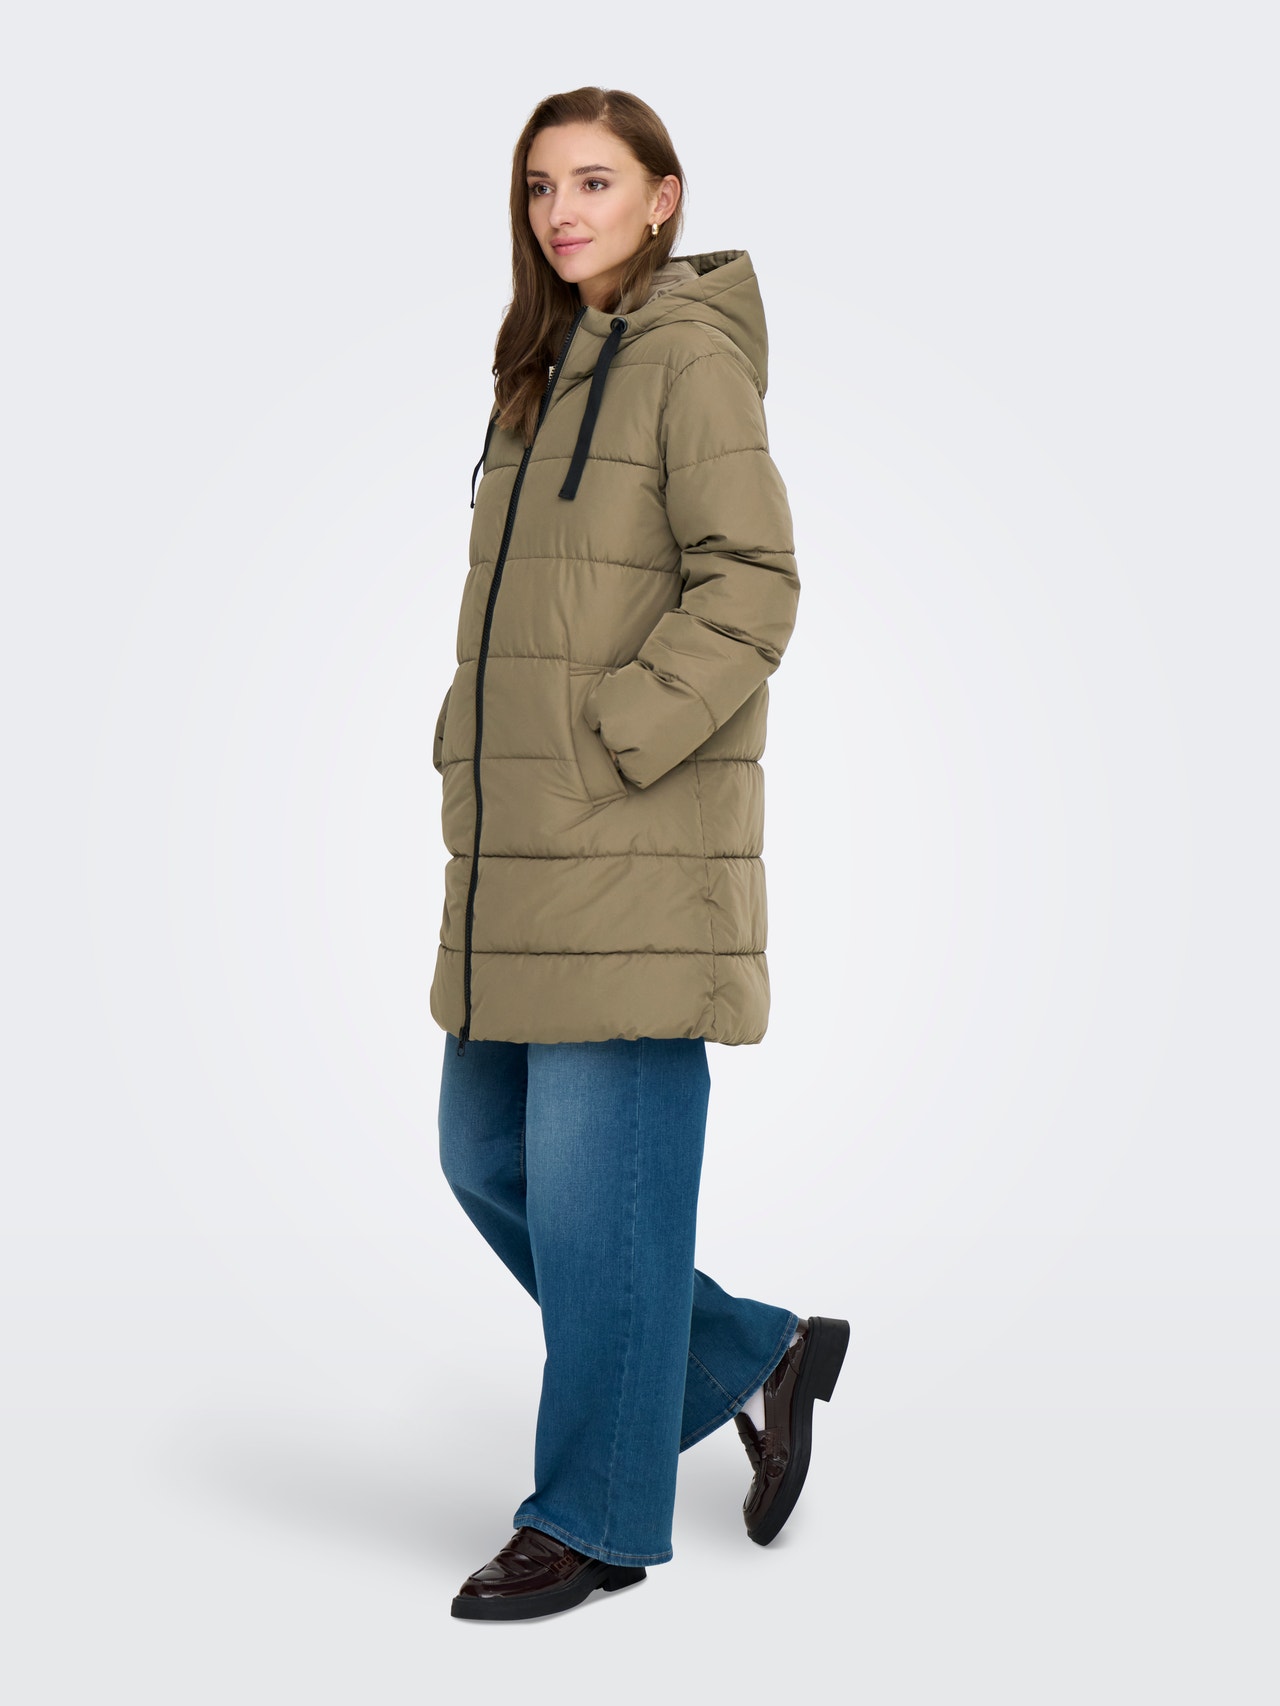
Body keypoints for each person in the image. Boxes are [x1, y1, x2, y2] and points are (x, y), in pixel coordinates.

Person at [430, 86, 849, 1623]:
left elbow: (755, 580)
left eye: (596, 181)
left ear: (665, 197)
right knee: (485, 1155)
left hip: (633, 850)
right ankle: (750, 1350)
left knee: (600, 1200)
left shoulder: (687, 358)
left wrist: (617, 734)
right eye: (542, 185)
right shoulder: (537, 369)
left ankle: (595, 1517)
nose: (563, 211)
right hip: (523, 856)